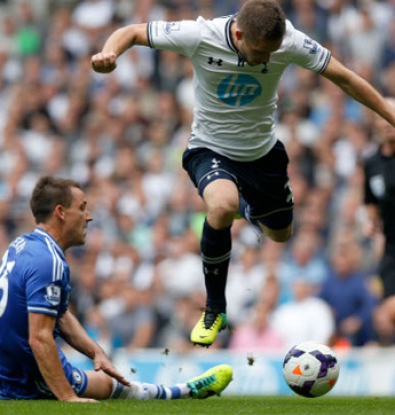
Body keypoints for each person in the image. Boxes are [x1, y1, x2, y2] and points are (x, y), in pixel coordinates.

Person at [91, 0, 395, 347]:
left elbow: (345, 77)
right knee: (221, 205)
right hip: (209, 149)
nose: (267, 60)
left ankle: (247, 209)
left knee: (280, 235)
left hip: (262, 155)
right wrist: (109, 53)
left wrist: (390, 114)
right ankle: (214, 309)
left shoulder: (290, 40)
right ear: (238, 33)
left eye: (272, 52)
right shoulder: (199, 34)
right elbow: (131, 32)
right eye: (261, 52)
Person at [0, 176, 232, 401]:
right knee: (107, 385)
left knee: (15, 367)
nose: (89, 217)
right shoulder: (50, 261)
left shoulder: (22, 244)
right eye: (83, 207)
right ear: (61, 212)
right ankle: (186, 389)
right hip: (25, 366)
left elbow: (60, 316)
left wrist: (96, 352)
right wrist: (67, 397)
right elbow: (40, 337)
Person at [364, 97, 395, 344]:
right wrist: (373, 228)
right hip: (391, 248)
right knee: (385, 316)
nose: (388, 122)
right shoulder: (371, 162)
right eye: (383, 115)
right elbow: (371, 202)